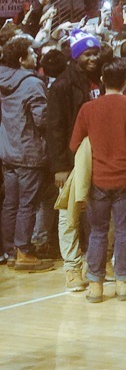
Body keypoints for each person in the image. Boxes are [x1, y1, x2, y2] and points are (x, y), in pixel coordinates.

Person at [69, 58, 126, 302]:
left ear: (102, 81)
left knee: (97, 232)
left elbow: (74, 144)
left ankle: (95, 285)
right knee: (124, 231)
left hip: (98, 178)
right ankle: (123, 282)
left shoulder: (88, 109)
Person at [46, 28, 103, 291]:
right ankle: (71, 269)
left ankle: (95, 267)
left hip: (98, 156)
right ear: (75, 56)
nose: (93, 58)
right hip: (71, 159)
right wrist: (59, 167)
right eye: (87, 54)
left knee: (96, 214)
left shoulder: (101, 80)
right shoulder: (61, 85)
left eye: (95, 53)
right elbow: (55, 128)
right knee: (69, 216)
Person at [0, 34, 53, 272]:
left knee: (10, 204)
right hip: (29, 152)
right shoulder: (32, 83)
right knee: (27, 205)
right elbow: (42, 119)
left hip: (7, 150)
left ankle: (10, 250)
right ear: (22, 59)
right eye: (32, 53)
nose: (36, 55)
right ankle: (24, 251)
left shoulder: (3, 79)